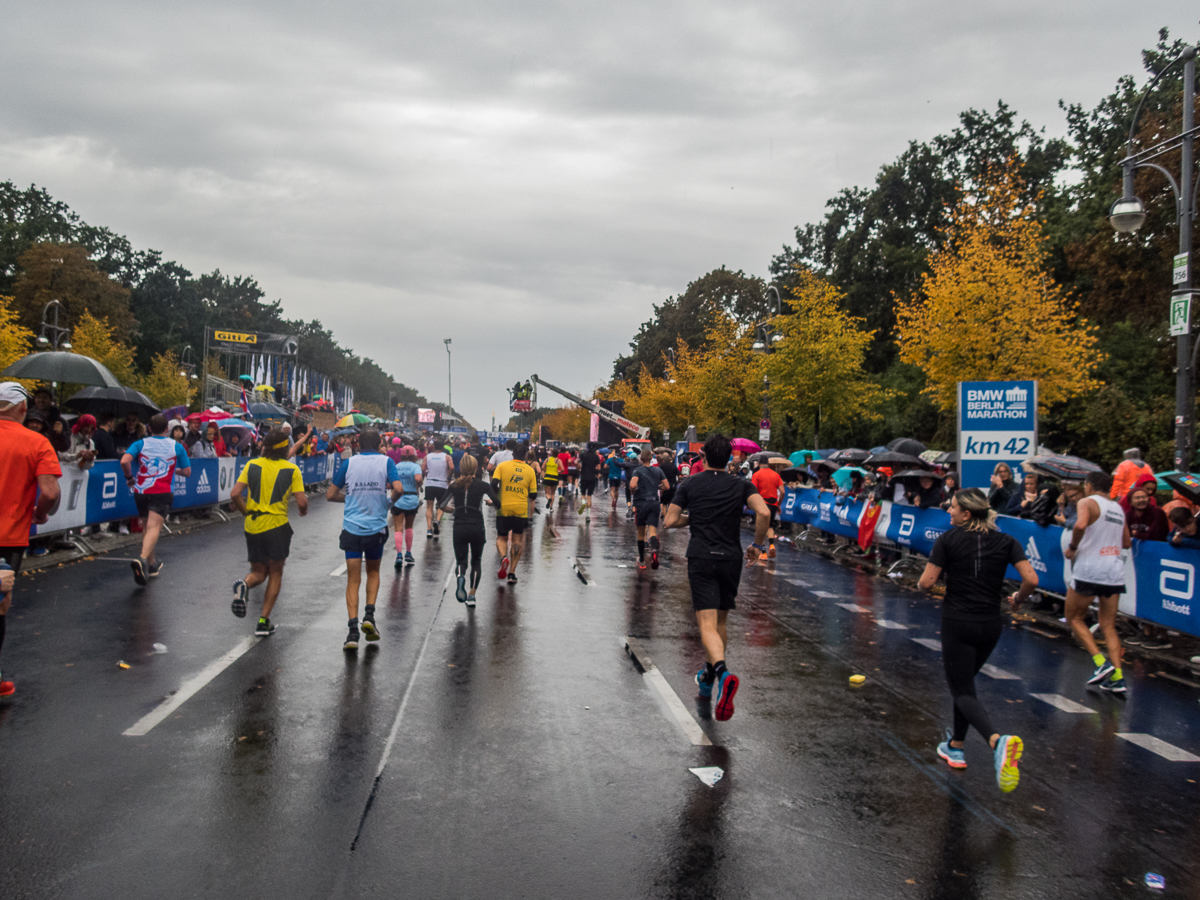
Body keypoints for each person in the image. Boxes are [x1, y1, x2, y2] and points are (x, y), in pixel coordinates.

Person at [917, 488, 1034, 793]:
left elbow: (926, 583)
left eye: (952, 508)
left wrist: (934, 583)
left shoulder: (948, 540)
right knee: (965, 685)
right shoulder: (1007, 541)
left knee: (961, 689)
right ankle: (955, 746)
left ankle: (997, 742)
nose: (948, 511)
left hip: (959, 621)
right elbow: (1031, 580)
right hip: (991, 624)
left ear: (967, 514)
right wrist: (1018, 599)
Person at [664, 433, 771, 722]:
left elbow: (670, 520)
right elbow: (763, 511)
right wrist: (758, 546)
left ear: (703, 457)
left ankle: (723, 674)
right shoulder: (741, 484)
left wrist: (694, 517)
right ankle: (709, 678)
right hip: (731, 558)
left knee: (706, 624)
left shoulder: (690, 483)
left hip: (701, 557)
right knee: (721, 622)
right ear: (731, 459)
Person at [0, 383, 62, 698]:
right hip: (7, 537)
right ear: (23, 409)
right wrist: (39, 513)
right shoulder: (35, 442)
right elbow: (50, 492)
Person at [327, 430, 403, 650]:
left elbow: (330, 495)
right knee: (373, 572)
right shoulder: (386, 462)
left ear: (357, 444)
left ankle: (352, 632)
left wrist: (349, 499)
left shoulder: (348, 464)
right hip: (375, 528)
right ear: (380, 443)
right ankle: (369, 616)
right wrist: (388, 502)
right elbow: (398, 488)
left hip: (351, 528)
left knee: (352, 579)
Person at [229, 428, 308, 636]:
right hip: (277, 526)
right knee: (275, 572)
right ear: (284, 449)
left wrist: (246, 511)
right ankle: (263, 621)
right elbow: (301, 501)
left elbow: (235, 493)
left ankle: (245, 585)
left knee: (258, 572)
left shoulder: (252, 464)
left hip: (253, 525)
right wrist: (303, 510)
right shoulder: (292, 470)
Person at [1064, 470, 1132, 694]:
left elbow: (1080, 525)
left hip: (1090, 569)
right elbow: (1126, 542)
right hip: (1113, 571)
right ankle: (1118, 677)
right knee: (1108, 625)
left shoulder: (1087, 502)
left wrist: (1073, 548)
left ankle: (1100, 663)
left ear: (1089, 485)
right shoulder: (1118, 508)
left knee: (1074, 617)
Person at [121, 414, 191, 584]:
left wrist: (129, 477)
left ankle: (151, 565)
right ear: (167, 429)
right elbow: (187, 472)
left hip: (141, 490)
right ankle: (143, 559)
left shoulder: (140, 443)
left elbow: (124, 461)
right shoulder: (177, 446)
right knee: (154, 528)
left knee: (147, 526)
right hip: (162, 490)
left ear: (149, 429)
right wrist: (173, 470)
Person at [441, 454, 498, 607]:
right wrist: (490, 503)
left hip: (459, 526)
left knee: (461, 560)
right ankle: (471, 595)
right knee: (476, 561)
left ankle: (460, 578)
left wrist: (453, 510)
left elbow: (441, 505)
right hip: (477, 526)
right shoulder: (483, 485)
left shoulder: (454, 485)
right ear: (475, 468)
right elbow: (498, 503)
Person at [491, 441, 538, 585]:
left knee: (501, 538)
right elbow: (534, 495)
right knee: (517, 540)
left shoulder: (502, 466)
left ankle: (503, 557)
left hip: (504, 508)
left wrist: (497, 496)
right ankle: (512, 573)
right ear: (525, 456)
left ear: (512, 454)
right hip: (521, 510)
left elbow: (493, 483)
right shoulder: (530, 470)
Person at [629, 449, 669, 569]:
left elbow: (632, 484)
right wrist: (658, 486)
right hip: (654, 504)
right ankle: (654, 550)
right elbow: (666, 486)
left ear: (641, 459)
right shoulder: (658, 470)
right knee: (652, 532)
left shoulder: (638, 470)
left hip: (641, 503)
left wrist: (633, 490)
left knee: (641, 534)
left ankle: (641, 560)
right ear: (651, 459)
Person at [750, 461, 784, 559]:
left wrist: (751, 503)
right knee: (769, 526)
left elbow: (753, 490)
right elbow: (782, 492)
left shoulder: (756, 474)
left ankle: (763, 552)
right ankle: (772, 545)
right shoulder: (776, 475)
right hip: (773, 503)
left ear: (760, 463)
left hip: (761, 503)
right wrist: (779, 504)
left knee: (760, 527)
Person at [423, 440, 452, 539]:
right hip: (442, 484)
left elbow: (422, 468)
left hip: (430, 483)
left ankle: (429, 529)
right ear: (443, 447)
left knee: (429, 507)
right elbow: (452, 467)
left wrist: (426, 475)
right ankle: (438, 521)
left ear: (434, 446)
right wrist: (448, 476)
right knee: (441, 506)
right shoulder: (447, 457)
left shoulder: (428, 456)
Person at [576, 444, 602, 521]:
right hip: (592, 477)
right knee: (589, 496)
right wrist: (596, 470)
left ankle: (583, 502)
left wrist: (579, 468)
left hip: (584, 476)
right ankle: (588, 516)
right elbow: (599, 467)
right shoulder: (596, 456)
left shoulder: (582, 455)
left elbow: (577, 463)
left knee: (583, 494)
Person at [658, 450, 680, 522]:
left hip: (665, 487)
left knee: (664, 504)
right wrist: (677, 482)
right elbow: (679, 475)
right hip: (673, 487)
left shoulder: (661, 466)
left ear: (663, 459)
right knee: (670, 503)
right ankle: (670, 518)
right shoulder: (673, 466)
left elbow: (658, 476)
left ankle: (666, 519)